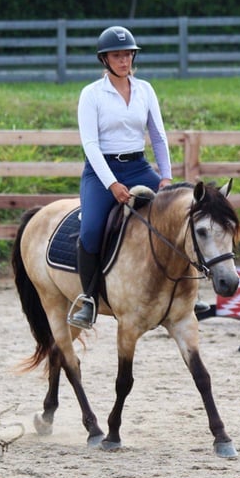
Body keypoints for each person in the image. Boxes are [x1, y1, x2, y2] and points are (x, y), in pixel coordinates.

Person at [68, 26, 173, 329]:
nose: (124, 60)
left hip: (139, 166)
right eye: (117, 55)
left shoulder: (145, 90)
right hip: (102, 170)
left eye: (128, 54)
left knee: (179, 211)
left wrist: (165, 177)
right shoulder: (91, 94)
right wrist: (112, 184)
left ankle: (185, 289)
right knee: (90, 231)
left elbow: (158, 135)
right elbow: (90, 144)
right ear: (105, 59)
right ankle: (88, 299)